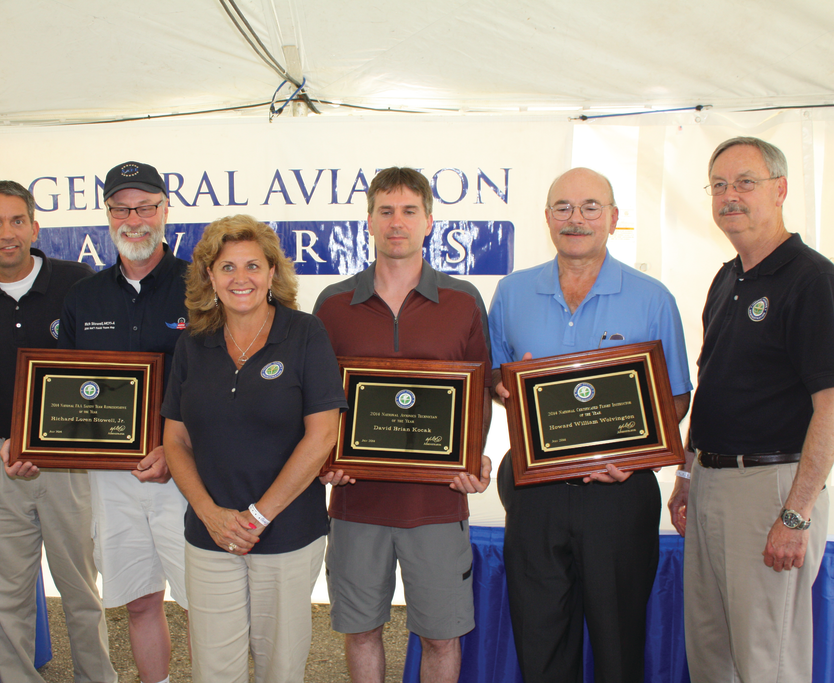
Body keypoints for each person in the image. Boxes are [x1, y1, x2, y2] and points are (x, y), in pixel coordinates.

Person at [489, 167, 692, 683]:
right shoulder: (511, 293)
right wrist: (505, 388)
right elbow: (495, 375)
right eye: (563, 208)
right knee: (541, 641)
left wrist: (634, 458)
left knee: (618, 645)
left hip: (619, 493)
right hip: (535, 490)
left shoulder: (653, 297)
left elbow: (677, 397)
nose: (575, 219)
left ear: (614, 218)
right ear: (547, 218)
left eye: (590, 207)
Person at [6, 161, 189, 683]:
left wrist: (180, 448)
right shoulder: (85, 297)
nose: (134, 218)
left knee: (205, 602)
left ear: (164, 211)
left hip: (188, 474)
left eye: (145, 206)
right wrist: (30, 443)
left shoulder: (200, 287)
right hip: (112, 480)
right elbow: (65, 391)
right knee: (137, 600)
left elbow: (219, 383)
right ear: (108, 215)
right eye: (121, 208)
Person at [313, 167, 493, 683]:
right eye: (386, 211)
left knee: (440, 635)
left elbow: (478, 393)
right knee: (362, 630)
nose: (397, 222)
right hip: (356, 500)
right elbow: (319, 399)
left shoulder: (463, 301)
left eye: (409, 211)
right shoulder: (332, 304)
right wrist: (329, 459)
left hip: (436, 503)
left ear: (429, 222)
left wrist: (471, 457)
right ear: (368, 221)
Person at [668, 137, 834, 683]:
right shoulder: (727, 277)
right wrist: (688, 472)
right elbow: (714, 385)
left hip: (770, 489)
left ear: (781, 189)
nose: (729, 196)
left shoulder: (812, 280)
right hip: (713, 483)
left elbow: (831, 406)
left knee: (768, 661)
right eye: (718, 185)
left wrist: (796, 512)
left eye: (745, 182)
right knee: (712, 655)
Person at [0, 181, 116, 683]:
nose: (6, 233)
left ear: (35, 228)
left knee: (81, 587)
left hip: (69, 459)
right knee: (7, 593)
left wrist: (55, 437)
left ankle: (97, 678)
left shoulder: (78, 283)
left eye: (17, 220)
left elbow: (106, 376)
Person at [161, 214, 347, 683]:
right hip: (210, 536)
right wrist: (209, 513)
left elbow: (322, 434)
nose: (239, 278)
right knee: (213, 670)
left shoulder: (306, 334)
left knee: (280, 669)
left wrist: (258, 517)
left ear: (271, 273)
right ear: (209, 275)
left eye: (252, 266)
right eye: (226, 267)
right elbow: (175, 440)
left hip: (285, 534)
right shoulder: (192, 344)